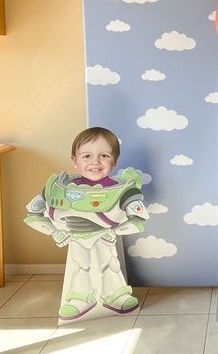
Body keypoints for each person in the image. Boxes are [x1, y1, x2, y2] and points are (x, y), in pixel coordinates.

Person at [24, 127, 149, 320]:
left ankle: (116, 295)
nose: (95, 162)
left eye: (104, 155)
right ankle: (80, 298)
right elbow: (32, 212)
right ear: (74, 160)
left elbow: (138, 220)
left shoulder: (123, 191)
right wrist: (54, 231)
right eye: (86, 156)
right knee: (80, 266)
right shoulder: (58, 189)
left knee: (110, 265)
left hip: (105, 235)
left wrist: (115, 231)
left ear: (114, 160)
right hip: (75, 237)